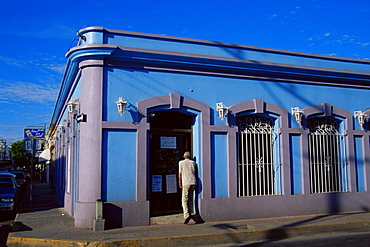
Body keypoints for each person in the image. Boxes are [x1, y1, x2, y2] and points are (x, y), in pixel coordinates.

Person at [178, 151, 197, 224]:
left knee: (184, 199)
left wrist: (180, 182)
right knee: (190, 198)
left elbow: (180, 173)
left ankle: (186, 215)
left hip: (186, 182)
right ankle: (192, 211)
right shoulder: (193, 163)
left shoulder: (181, 163)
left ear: (184, 156)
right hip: (193, 182)